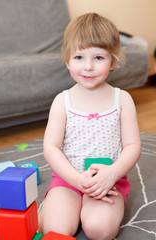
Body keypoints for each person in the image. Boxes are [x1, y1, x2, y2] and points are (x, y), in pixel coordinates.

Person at [38, 13, 141, 240]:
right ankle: (55, 207)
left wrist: (113, 173)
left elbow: (133, 145)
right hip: (68, 179)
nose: (88, 67)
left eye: (98, 58)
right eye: (78, 57)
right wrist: (76, 180)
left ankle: (92, 209)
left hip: (108, 180)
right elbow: (51, 148)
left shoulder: (122, 99)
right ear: (67, 60)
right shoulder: (62, 101)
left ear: (113, 61)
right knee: (56, 229)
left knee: (98, 229)